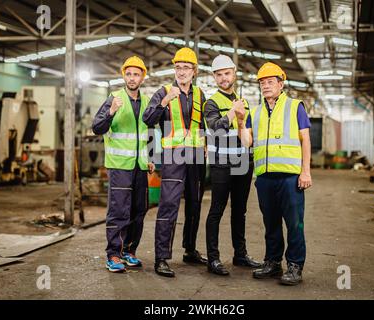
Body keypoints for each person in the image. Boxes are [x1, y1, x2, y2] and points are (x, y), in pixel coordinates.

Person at [238, 62, 312, 285]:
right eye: (262, 82)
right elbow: (247, 143)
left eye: (270, 82)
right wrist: (241, 121)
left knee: (294, 223)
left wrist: (305, 171)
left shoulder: (295, 106)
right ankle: (272, 262)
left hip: (290, 177)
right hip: (265, 178)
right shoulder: (256, 112)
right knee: (270, 223)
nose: (266, 86)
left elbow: (305, 139)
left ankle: (295, 265)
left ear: (281, 84)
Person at [143, 47, 207, 278]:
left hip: (197, 157)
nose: (181, 71)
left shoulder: (200, 94)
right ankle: (161, 258)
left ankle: (190, 249)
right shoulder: (163, 92)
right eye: (178, 67)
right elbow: (147, 119)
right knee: (169, 206)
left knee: (194, 204)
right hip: (173, 156)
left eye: (186, 68)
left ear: (194, 71)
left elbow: (204, 125)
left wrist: (208, 144)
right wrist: (163, 103)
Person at [92, 56, 154, 273]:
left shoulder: (147, 102)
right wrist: (110, 112)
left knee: (139, 210)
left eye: (136, 74)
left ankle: (129, 250)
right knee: (119, 210)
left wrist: (150, 159)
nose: (132, 78)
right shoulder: (114, 98)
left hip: (139, 166)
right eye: (128, 74)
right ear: (123, 75)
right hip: (119, 165)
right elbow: (97, 127)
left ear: (142, 77)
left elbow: (150, 133)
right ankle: (114, 254)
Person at [203, 55, 261, 276]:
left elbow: (246, 136)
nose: (223, 78)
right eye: (218, 74)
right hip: (221, 165)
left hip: (242, 163)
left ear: (234, 73)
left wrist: (240, 118)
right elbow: (216, 130)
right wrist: (232, 112)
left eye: (226, 73)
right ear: (214, 77)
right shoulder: (212, 103)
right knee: (216, 211)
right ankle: (213, 259)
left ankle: (240, 255)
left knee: (240, 211)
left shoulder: (243, 102)